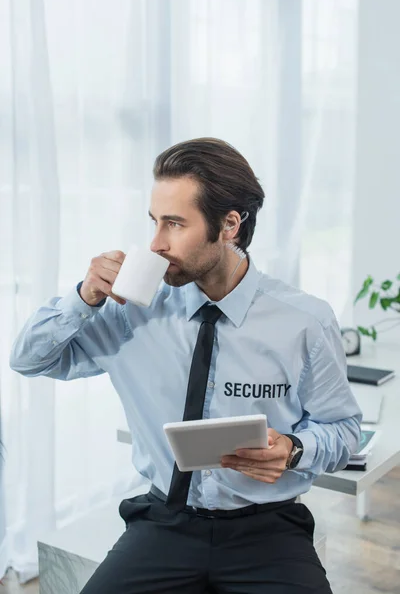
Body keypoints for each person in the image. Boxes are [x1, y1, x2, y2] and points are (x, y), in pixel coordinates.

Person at [10, 137, 362, 594]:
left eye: (174, 224)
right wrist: (82, 298)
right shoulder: (130, 308)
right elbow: (29, 360)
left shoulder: (304, 321)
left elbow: (344, 428)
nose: (155, 243)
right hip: (164, 523)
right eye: (154, 222)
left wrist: (294, 449)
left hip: (268, 530)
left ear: (229, 224)